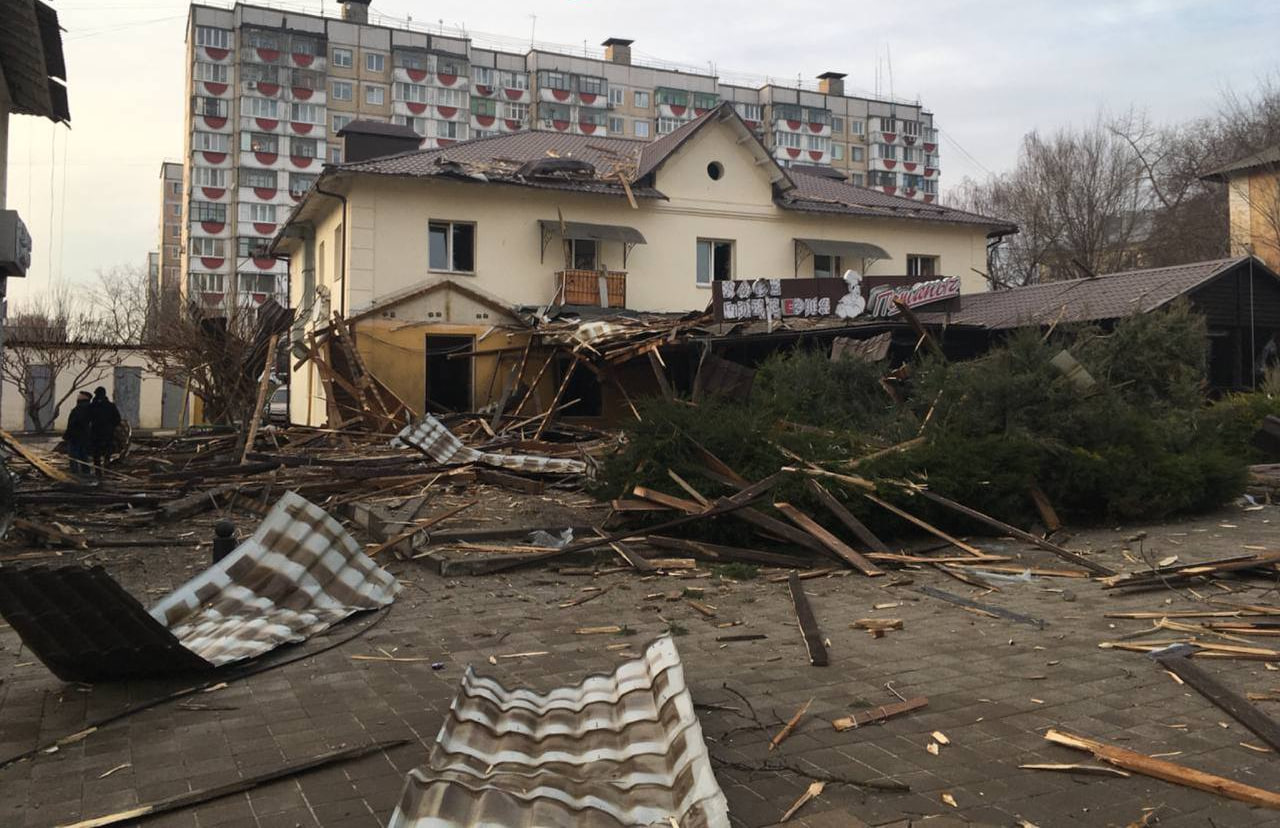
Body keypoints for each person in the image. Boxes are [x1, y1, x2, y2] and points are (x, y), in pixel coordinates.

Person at [88, 386, 121, 477]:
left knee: (97, 453)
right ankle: (104, 469)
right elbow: (117, 419)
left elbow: (88, 418)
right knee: (105, 452)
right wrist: (111, 427)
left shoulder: (93, 406)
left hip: (97, 433)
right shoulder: (110, 406)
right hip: (106, 433)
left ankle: (99, 470)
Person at [63, 391, 93, 477]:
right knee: (83, 455)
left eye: (80, 395)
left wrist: (68, 434)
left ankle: (76, 473)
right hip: (83, 436)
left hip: (76, 436)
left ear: (85, 397)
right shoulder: (87, 407)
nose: (78, 397)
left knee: (74, 456)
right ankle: (86, 472)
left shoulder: (81, 408)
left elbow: (74, 423)